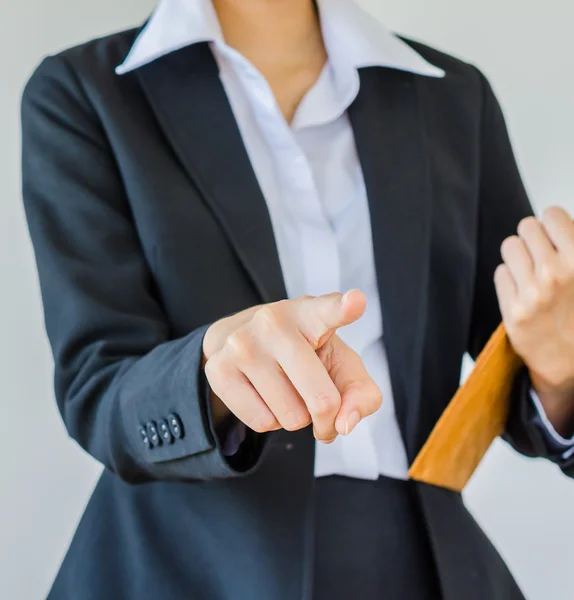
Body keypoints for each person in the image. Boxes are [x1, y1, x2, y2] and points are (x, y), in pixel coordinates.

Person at [21, 0, 574, 598]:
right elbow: (98, 387)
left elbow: (517, 359)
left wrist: (558, 367)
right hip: (187, 565)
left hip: (420, 559)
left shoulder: (452, 98)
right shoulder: (85, 92)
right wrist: (213, 370)